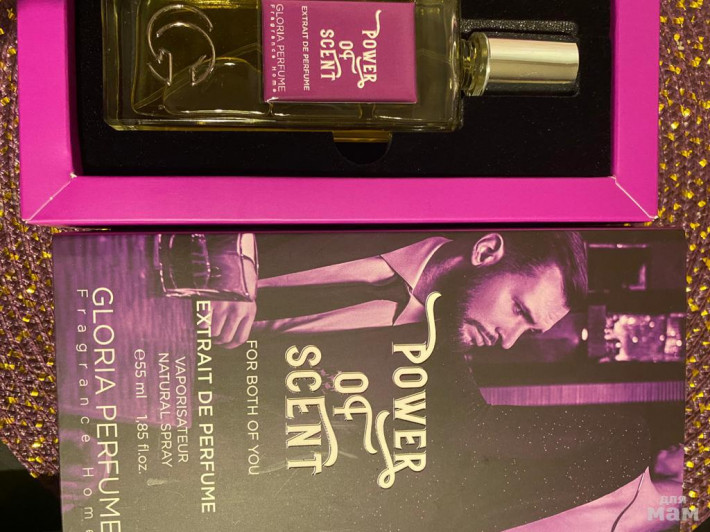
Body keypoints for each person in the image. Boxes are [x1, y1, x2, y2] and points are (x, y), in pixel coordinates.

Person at [210, 231, 587, 350]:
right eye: (520, 310)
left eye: (529, 332)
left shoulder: (416, 369)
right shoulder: (388, 204)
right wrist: (231, 252)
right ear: (486, 252)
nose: (508, 342)